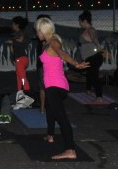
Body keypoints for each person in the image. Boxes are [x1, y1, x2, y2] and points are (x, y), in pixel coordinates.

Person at [35, 16, 90, 161]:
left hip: (55, 86)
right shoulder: (46, 44)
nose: (36, 33)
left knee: (62, 118)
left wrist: (75, 63)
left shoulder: (53, 41)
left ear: (42, 30)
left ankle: (70, 149)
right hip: (54, 85)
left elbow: (62, 53)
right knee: (50, 109)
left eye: (37, 31)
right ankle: (50, 135)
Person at [78, 10, 106, 102]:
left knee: (94, 76)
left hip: (94, 57)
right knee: (90, 73)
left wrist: (99, 48)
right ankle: (88, 90)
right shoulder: (87, 30)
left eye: (80, 22)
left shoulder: (90, 30)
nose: (79, 24)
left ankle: (99, 97)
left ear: (84, 21)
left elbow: (94, 39)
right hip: (91, 58)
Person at [8, 16, 30, 95]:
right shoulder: (18, 33)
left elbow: (20, 40)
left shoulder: (21, 33)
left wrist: (12, 41)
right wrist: (11, 45)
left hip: (20, 59)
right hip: (20, 59)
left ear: (17, 25)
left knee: (22, 77)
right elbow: (14, 50)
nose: (12, 25)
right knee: (19, 77)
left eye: (13, 24)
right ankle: (20, 93)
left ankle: (27, 91)